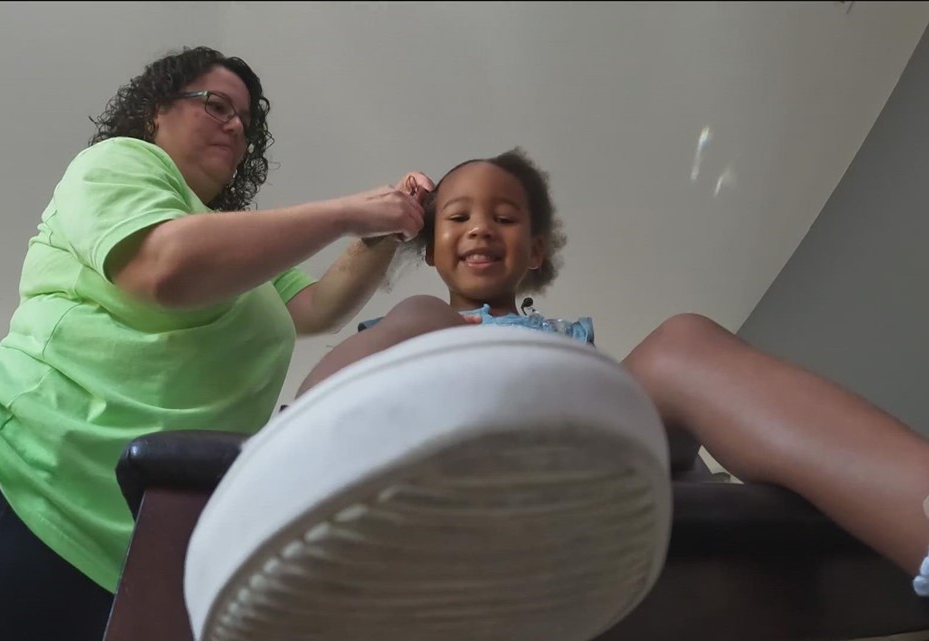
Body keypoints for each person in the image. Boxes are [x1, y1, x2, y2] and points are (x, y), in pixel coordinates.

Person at [0, 45, 436, 641]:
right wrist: (346, 212)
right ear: (157, 110)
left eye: (245, 122)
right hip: (32, 482)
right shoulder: (117, 163)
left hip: (132, 546)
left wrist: (385, 230)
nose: (236, 127)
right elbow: (163, 267)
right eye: (217, 105)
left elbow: (318, 308)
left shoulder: (239, 250)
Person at [294, 147, 929, 596]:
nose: (481, 227)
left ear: (535, 250)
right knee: (417, 315)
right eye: (457, 217)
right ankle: (293, 463)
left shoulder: (567, 342)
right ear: (431, 249)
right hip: (455, 453)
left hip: (586, 451)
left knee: (681, 343)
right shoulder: (420, 318)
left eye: (505, 217)